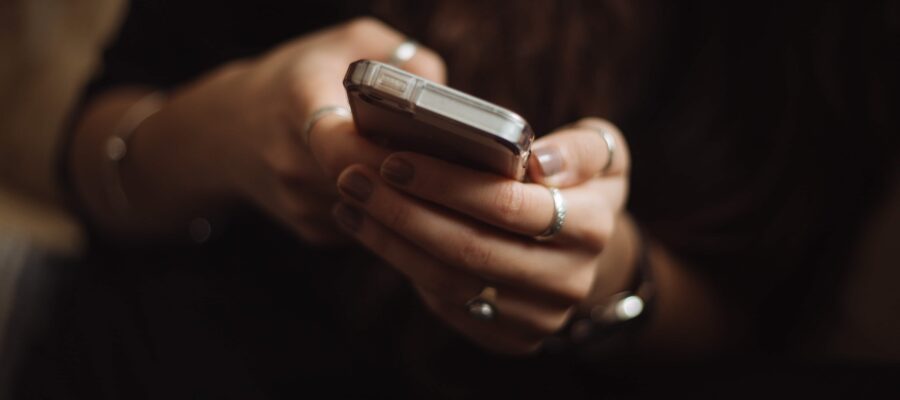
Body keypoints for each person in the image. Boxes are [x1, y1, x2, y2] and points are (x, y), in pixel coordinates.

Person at [10, 0, 900, 398]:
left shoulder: (825, 28)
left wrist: (606, 279)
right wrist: (235, 125)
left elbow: (769, 332)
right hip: (162, 360)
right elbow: (92, 163)